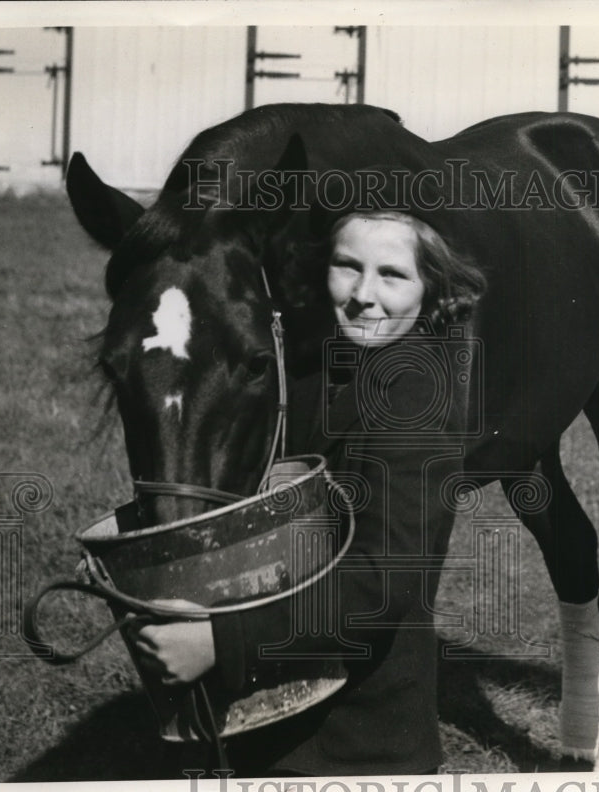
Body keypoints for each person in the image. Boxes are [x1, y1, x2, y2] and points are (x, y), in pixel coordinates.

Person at [131, 210, 486, 776]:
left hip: (358, 743)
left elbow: (381, 582)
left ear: (432, 290)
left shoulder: (415, 402)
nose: (363, 295)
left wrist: (220, 642)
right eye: (347, 266)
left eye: (392, 275)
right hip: (281, 719)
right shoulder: (321, 375)